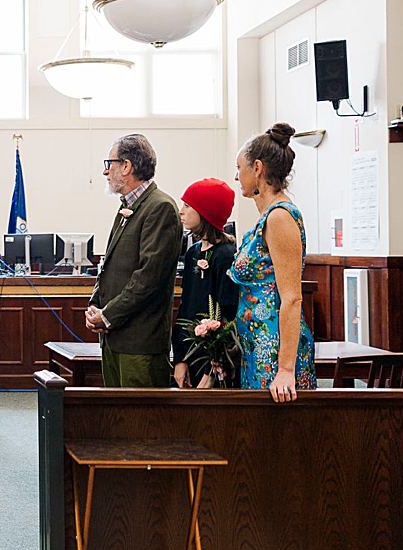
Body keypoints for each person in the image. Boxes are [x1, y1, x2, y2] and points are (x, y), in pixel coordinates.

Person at [83, 134, 181, 388]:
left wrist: (108, 315)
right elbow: (111, 265)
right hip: (115, 337)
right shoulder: (128, 206)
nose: (105, 172)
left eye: (109, 163)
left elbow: (147, 278)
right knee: (117, 421)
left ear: (127, 166)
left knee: (141, 425)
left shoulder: (160, 208)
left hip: (140, 343)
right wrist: (96, 305)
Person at [229, 124, 315, 401]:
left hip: (275, 348)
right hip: (257, 343)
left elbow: (291, 298)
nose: (236, 176)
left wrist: (286, 368)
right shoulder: (267, 216)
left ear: (257, 168)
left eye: (239, 167)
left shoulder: (280, 217)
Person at [172, 177, 239, 389]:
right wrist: (180, 359)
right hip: (191, 355)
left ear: (206, 212)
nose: (181, 211)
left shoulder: (225, 255)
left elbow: (228, 317)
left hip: (213, 363)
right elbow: (185, 310)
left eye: (187, 206)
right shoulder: (193, 252)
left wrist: (213, 370)